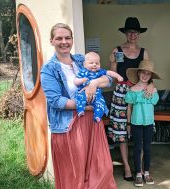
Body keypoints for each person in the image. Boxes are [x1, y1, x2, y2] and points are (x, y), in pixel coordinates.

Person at [40, 23, 117, 189]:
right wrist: (86, 106)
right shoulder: (49, 69)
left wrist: (94, 83)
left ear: (72, 40)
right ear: (51, 41)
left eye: (67, 37)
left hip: (92, 124)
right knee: (75, 177)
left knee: (102, 169)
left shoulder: (82, 60)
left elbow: (108, 79)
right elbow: (56, 101)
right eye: (59, 38)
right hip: (69, 126)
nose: (64, 41)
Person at [107, 17, 154, 181]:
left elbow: (148, 73)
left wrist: (150, 85)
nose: (132, 34)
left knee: (139, 128)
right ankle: (127, 167)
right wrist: (112, 63)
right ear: (125, 33)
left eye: (135, 31)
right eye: (129, 31)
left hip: (140, 92)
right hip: (121, 93)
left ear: (139, 34)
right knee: (122, 132)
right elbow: (114, 77)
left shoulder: (144, 52)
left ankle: (140, 169)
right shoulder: (118, 50)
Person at [125, 60, 161, 187]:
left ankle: (147, 172)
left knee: (147, 148)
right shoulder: (132, 90)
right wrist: (128, 124)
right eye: (143, 73)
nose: (145, 76)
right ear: (138, 73)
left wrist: (151, 87)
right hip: (136, 123)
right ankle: (138, 174)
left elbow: (155, 102)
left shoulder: (153, 90)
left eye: (148, 74)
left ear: (150, 76)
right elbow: (129, 108)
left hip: (149, 123)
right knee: (137, 148)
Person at [74, 52, 123, 122]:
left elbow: (109, 73)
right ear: (85, 64)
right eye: (91, 63)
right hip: (83, 92)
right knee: (80, 98)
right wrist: (81, 80)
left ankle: (98, 116)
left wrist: (118, 76)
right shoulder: (83, 72)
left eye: (97, 63)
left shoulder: (99, 72)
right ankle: (80, 110)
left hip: (97, 95)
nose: (94, 65)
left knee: (101, 103)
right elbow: (75, 81)